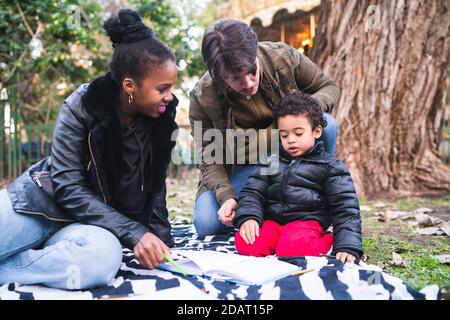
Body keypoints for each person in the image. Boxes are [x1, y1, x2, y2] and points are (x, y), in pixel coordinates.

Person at [0, 9, 178, 290]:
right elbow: (67, 187)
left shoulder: (161, 113)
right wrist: (134, 232)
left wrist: (162, 240)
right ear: (130, 86)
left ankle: (11, 269)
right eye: (162, 88)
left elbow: (155, 181)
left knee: (100, 260)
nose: (170, 96)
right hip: (40, 207)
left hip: (92, 228)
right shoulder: (83, 104)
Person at [189, 19, 341, 237]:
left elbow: (329, 87)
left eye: (252, 70)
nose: (249, 83)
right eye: (235, 78)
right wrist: (227, 197)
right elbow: (208, 157)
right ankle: (271, 207)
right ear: (218, 75)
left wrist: (303, 115)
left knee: (327, 124)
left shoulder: (282, 57)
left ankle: (320, 199)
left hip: (291, 156)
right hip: (242, 166)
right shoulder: (202, 96)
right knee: (207, 224)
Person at [233, 91, 362, 263]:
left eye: (298, 133)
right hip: (273, 222)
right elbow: (252, 192)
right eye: (284, 135)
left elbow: (345, 208)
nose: (290, 140)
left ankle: (328, 237)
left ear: (316, 132)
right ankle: (277, 243)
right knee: (246, 243)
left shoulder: (330, 167)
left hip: (307, 222)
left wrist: (347, 244)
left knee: (293, 250)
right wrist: (249, 217)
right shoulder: (271, 159)